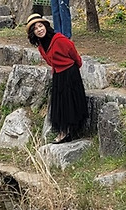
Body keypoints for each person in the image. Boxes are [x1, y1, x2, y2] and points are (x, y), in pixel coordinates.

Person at [26, 13, 89, 144]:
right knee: (60, 104)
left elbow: (73, 52)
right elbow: (50, 61)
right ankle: (64, 132)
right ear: (33, 33)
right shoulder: (41, 46)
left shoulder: (59, 39)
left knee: (70, 101)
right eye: (35, 29)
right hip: (58, 74)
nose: (39, 30)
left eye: (40, 26)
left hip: (70, 72)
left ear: (45, 26)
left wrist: (75, 66)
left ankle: (68, 132)